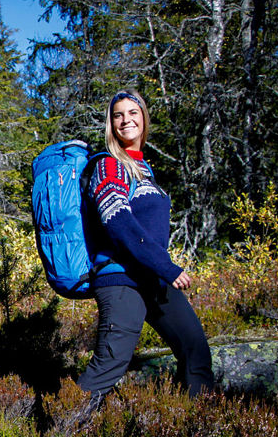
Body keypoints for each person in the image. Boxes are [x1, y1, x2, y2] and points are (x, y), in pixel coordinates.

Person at [78, 89, 214, 406]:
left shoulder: (142, 168)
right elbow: (118, 221)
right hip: (122, 279)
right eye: (118, 115)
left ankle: (203, 431)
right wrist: (167, 267)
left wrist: (159, 269)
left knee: (195, 348)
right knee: (108, 367)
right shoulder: (109, 165)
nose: (126, 119)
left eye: (133, 112)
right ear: (111, 124)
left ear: (144, 119)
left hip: (150, 278)